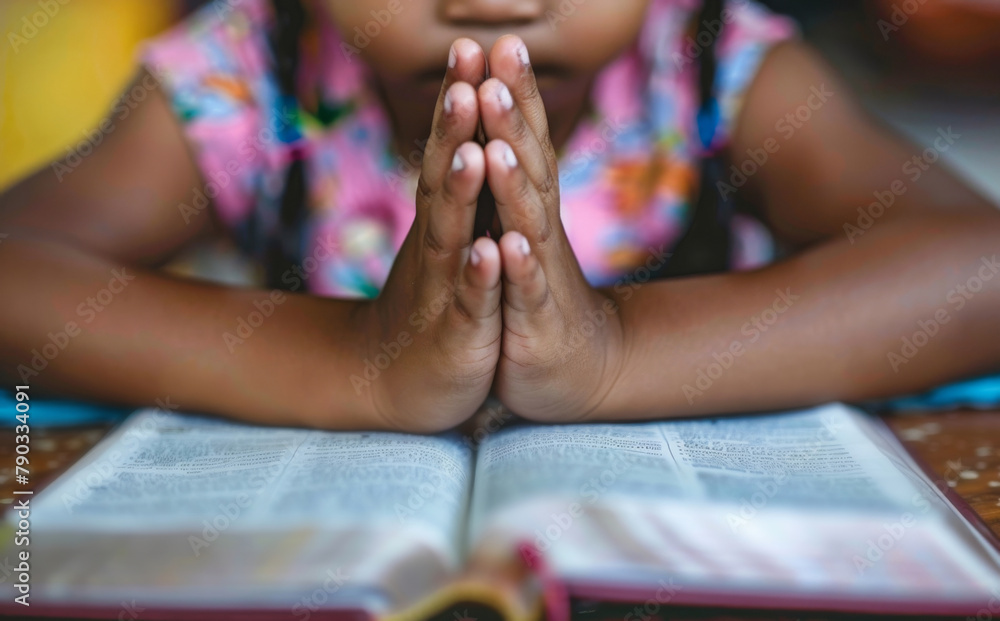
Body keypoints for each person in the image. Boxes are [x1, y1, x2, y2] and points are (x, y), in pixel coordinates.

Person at [1, 0, 997, 433]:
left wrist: (611, 356)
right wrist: (348, 362)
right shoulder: (248, 72)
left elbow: (977, 265)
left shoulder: (711, 65)